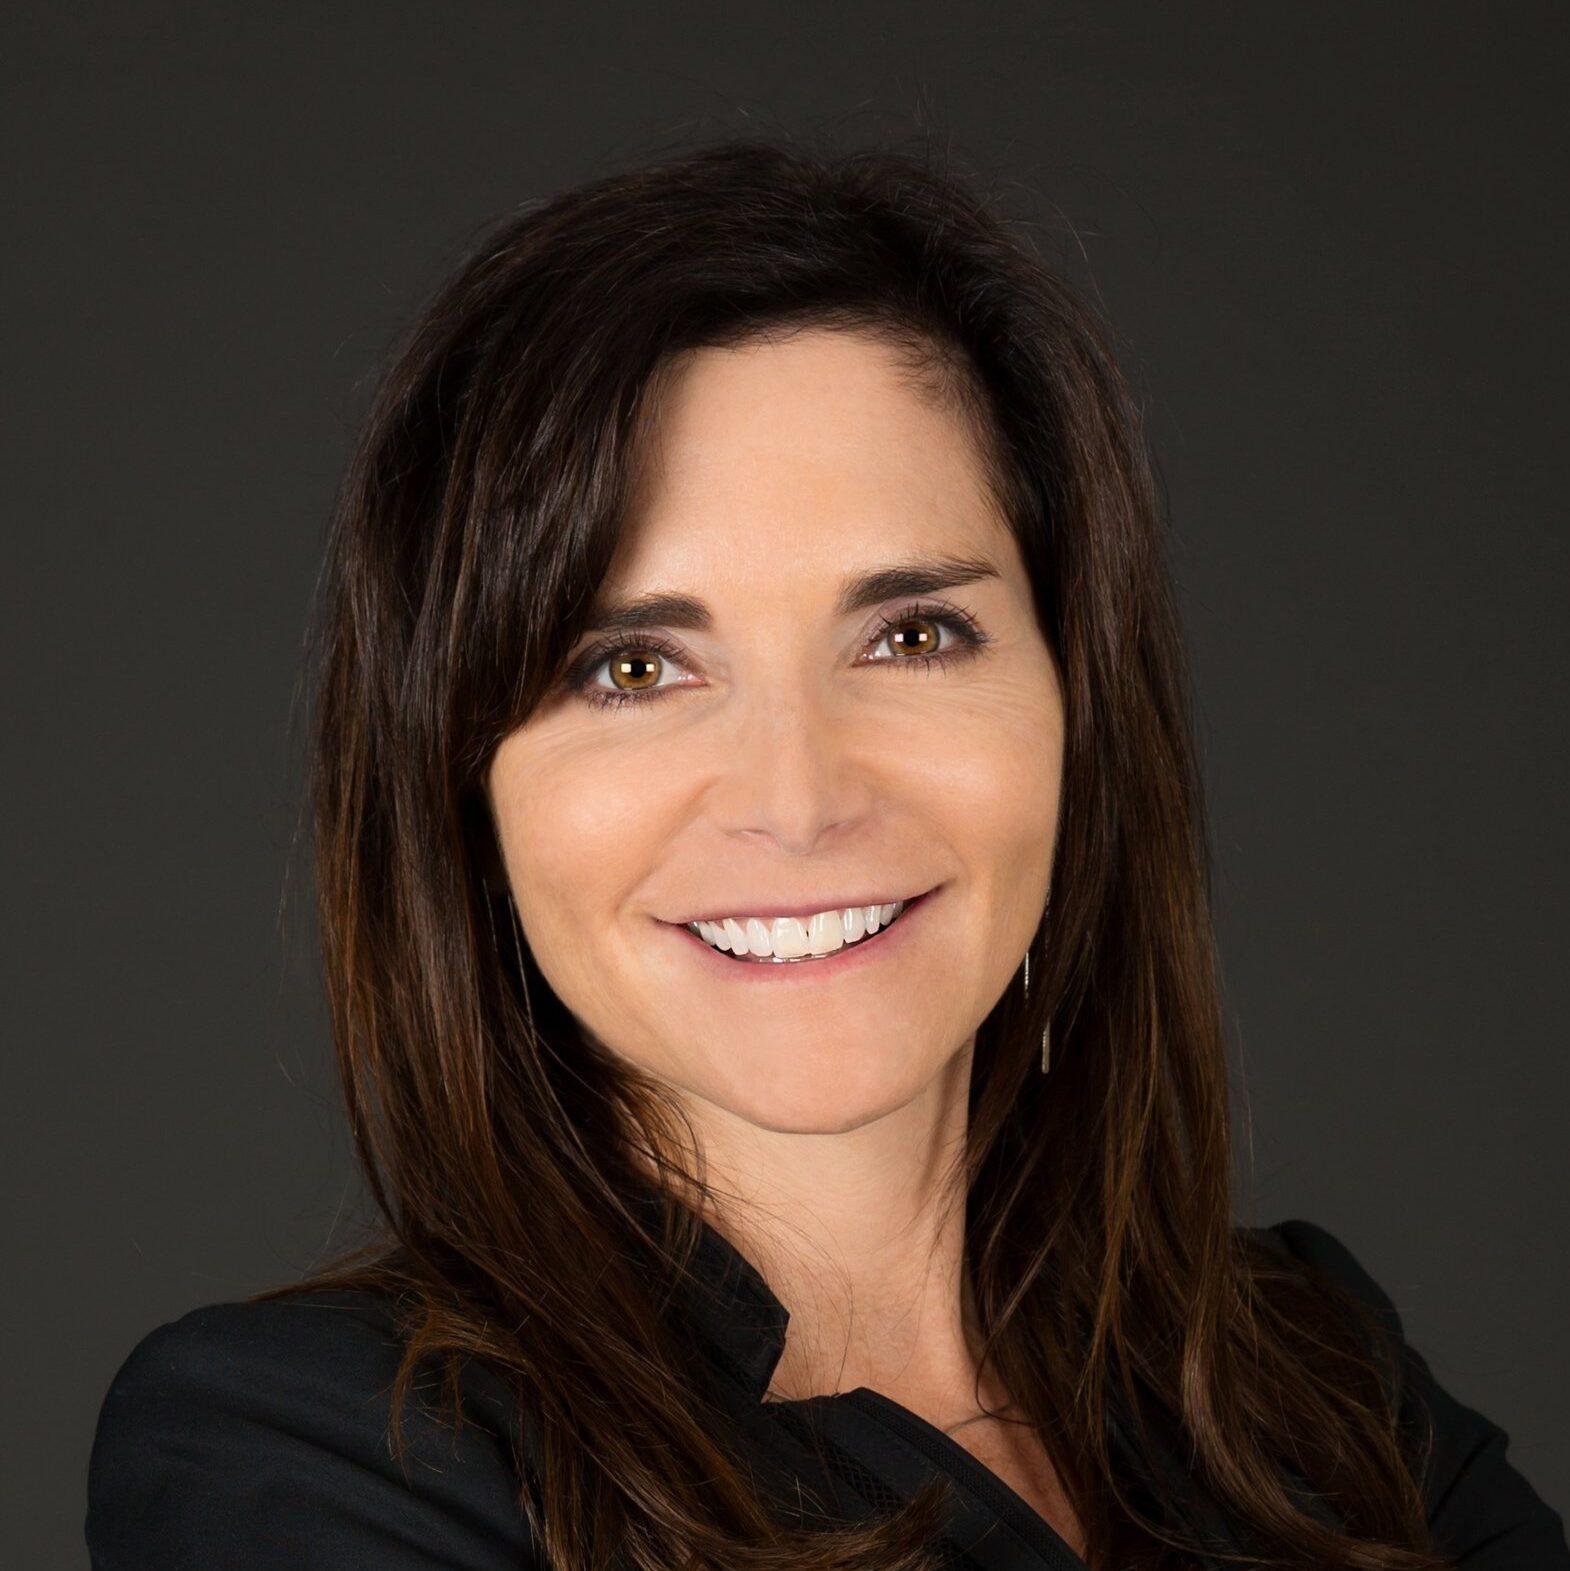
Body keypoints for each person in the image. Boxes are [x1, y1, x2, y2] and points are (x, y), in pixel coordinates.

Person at [85, 137, 1569, 1571]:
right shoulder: (319, 1455)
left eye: (910, 636)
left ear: (1077, 712)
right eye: (631, 670)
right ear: (462, 790)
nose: (797, 800)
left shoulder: (1310, 1373)